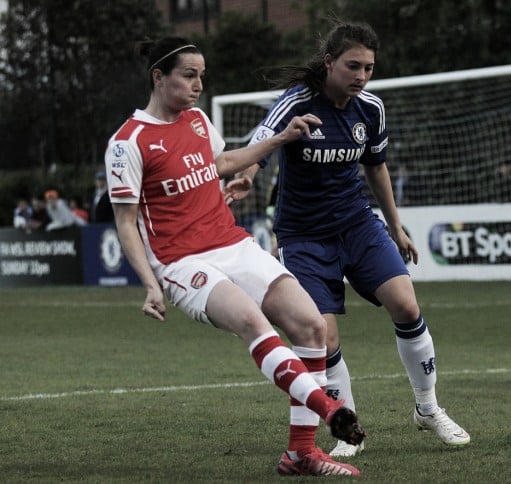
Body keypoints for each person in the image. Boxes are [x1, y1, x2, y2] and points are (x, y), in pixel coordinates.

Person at [104, 37, 365, 477]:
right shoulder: (127, 142)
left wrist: (282, 137)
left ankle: (300, 453)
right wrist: (151, 282)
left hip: (233, 244)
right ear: (158, 77)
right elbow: (126, 223)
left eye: (201, 76)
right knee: (252, 322)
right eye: (189, 75)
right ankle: (328, 407)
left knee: (312, 324)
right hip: (182, 263)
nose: (198, 85)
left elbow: (224, 162)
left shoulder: (199, 121)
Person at [229, 20, 470, 457]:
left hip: (358, 224)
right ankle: (349, 429)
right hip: (303, 237)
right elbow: (261, 143)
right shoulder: (296, 103)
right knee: (323, 335)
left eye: (369, 68)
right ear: (329, 63)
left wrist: (396, 227)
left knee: (407, 303)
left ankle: (429, 408)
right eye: (352, 66)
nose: (361, 76)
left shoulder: (371, 109)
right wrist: (245, 176)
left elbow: (376, 167)